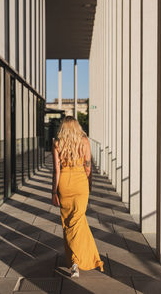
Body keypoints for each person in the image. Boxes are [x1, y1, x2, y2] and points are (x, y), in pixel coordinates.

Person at [51, 116, 104, 277]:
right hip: (81, 184)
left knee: (69, 223)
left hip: (64, 186)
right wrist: (90, 184)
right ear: (77, 127)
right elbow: (88, 167)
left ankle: (75, 261)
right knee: (78, 221)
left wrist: (54, 192)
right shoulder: (84, 141)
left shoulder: (57, 143)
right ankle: (79, 260)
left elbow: (56, 170)